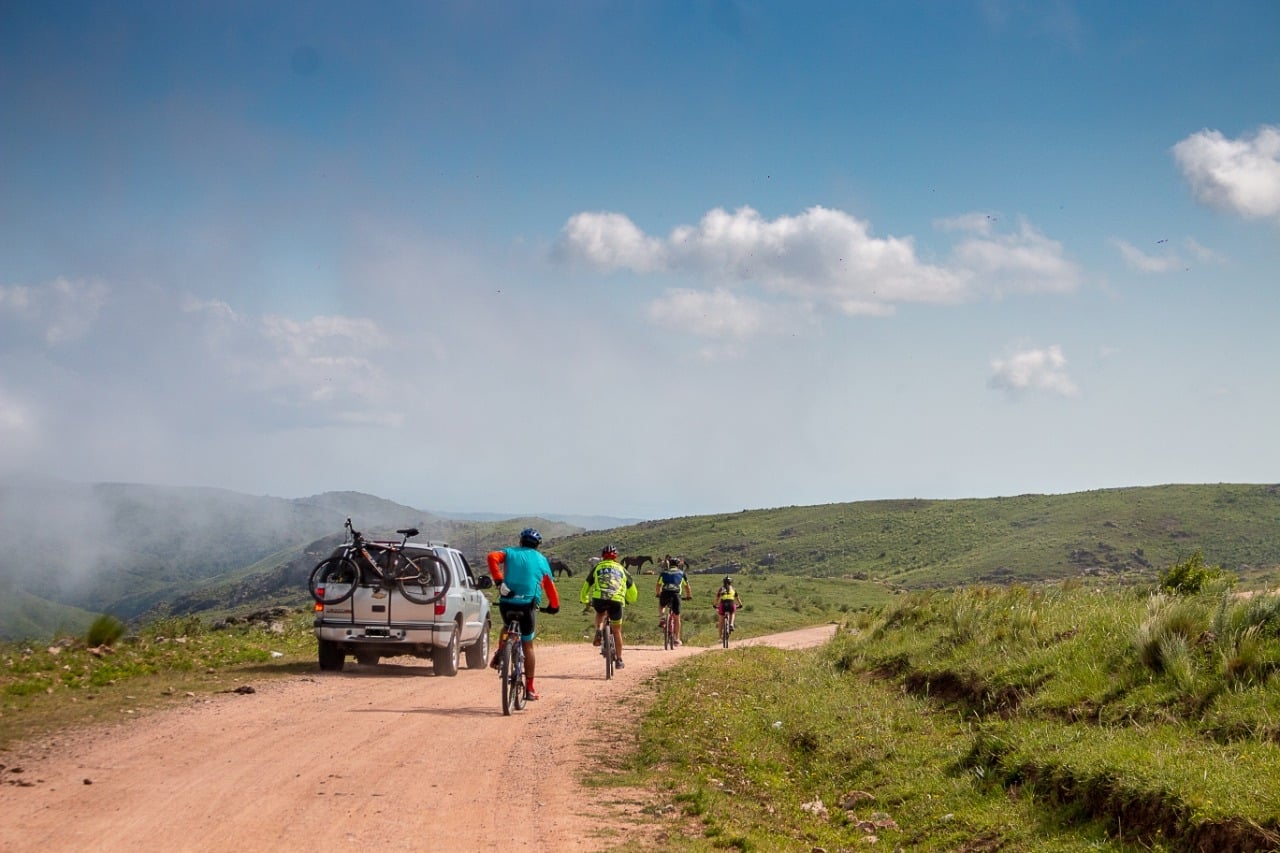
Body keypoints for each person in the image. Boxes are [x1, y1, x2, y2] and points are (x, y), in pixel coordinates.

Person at [487, 527, 560, 701]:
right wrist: (554, 606)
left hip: (507, 603)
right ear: (537, 545)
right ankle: (529, 688)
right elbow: (549, 586)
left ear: (520, 541)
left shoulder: (509, 552)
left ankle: (501, 651)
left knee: (506, 626)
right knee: (528, 646)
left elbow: (491, 557)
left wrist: (499, 581)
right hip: (527, 606)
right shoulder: (542, 560)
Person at [580, 544, 637, 668]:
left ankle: (598, 631)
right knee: (617, 631)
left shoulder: (597, 567)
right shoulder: (622, 569)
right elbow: (632, 589)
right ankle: (619, 660)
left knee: (600, 613)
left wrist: (585, 600)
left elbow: (586, 585)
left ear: (602, 556)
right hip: (616, 600)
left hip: (599, 599)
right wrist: (629, 600)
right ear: (616, 557)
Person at [655, 555, 692, 646]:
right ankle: (677, 639)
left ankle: (662, 617)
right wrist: (688, 596)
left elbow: (658, 585)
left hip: (665, 593)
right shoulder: (681, 573)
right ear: (678, 565)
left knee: (662, 605)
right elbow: (687, 587)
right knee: (677, 618)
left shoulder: (664, 573)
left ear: (669, 564)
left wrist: (658, 594)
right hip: (676, 594)